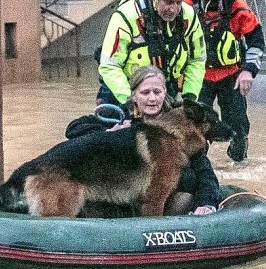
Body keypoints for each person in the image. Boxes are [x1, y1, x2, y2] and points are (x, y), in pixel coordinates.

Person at [68, 65, 220, 216]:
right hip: (121, 194)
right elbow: (73, 129)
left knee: (189, 177)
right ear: (134, 95)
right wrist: (109, 132)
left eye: (157, 92)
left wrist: (206, 203)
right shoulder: (119, 115)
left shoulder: (183, 124)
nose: (152, 98)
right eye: (145, 92)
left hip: (164, 201)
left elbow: (205, 171)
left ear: (165, 93)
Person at [185, 0, 266, 162]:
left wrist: (248, 70)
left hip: (231, 75)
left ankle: (239, 163)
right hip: (198, 76)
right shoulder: (187, 7)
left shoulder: (238, 8)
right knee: (195, 127)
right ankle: (199, 167)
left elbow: (256, 41)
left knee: (238, 126)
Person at [97, 0, 206, 107]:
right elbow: (110, 65)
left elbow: (197, 60)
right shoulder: (127, 16)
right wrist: (131, 101)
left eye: (178, 2)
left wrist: (189, 98)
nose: (173, 9)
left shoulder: (188, 17)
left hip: (162, 89)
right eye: (168, 2)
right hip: (122, 90)